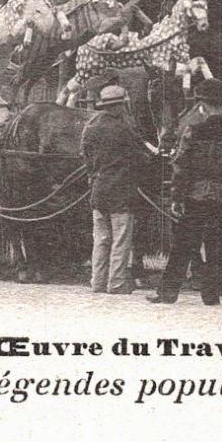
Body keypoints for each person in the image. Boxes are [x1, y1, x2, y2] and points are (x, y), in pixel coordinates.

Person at [151, 78, 222, 305]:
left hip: (194, 195)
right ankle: (211, 294)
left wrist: (177, 197)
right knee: (217, 245)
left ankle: (168, 292)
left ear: (203, 105)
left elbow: (181, 166)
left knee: (183, 245)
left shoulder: (193, 132)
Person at [82, 85, 148, 295]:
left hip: (98, 190)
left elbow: (86, 156)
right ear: (120, 106)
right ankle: (117, 283)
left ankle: (97, 282)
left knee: (100, 241)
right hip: (121, 192)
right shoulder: (123, 129)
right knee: (120, 241)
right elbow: (139, 158)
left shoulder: (91, 126)